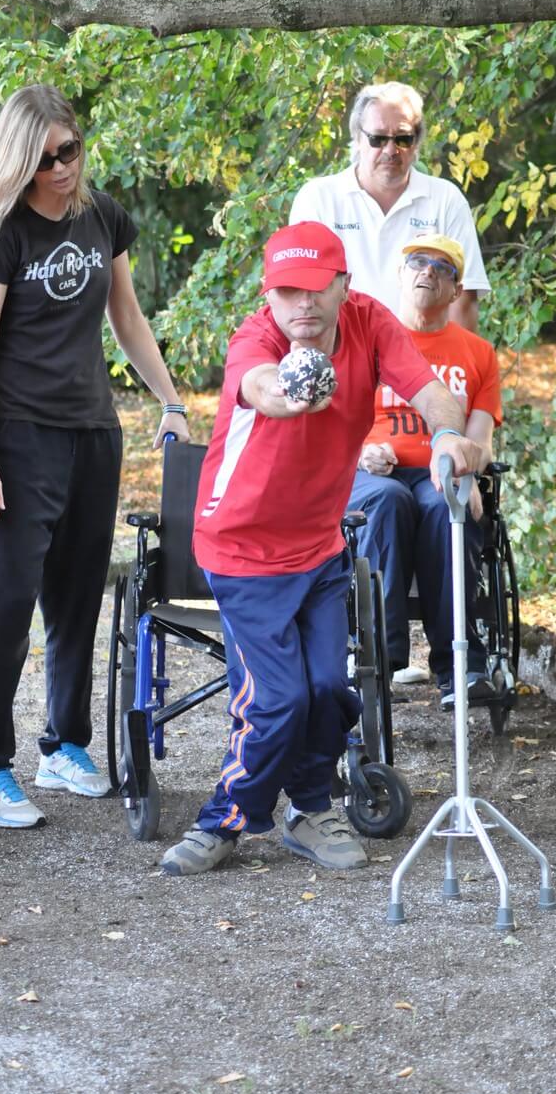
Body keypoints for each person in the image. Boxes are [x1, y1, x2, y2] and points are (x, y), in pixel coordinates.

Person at [160, 220, 482, 877]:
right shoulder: (256, 339)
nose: (301, 305)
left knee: (330, 688)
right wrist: (294, 389)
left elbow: (431, 395)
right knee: (278, 700)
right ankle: (221, 822)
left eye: (315, 289)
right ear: (268, 293)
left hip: (318, 545)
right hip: (242, 550)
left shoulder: (370, 325)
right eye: (286, 291)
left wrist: (450, 437)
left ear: (343, 286)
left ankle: (309, 809)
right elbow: (262, 389)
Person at [0, 84, 189, 830]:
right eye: (43, 161)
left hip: (92, 431)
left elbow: (126, 318)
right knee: (3, 606)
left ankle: (63, 745)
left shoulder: (103, 217)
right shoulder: (2, 234)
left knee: (75, 599)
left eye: (68, 150)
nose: (61, 169)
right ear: (18, 162)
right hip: (15, 434)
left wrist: (169, 399)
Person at [347, 233, 502, 708]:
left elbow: (480, 440)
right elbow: (334, 425)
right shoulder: (367, 341)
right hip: (373, 478)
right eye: (417, 261)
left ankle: (460, 666)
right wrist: (362, 451)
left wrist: (470, 474)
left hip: (440, 475)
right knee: (388, 501)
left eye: (443, 267)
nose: (427, 271)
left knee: (444, 508)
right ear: (400, 273)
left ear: (457, 291)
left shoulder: (478, 353)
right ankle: (380, 658)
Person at [289, 81, 490, 331]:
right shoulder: (318, 198)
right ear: (357, 138)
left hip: (422, 359)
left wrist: (455, 366)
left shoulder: (445, 199)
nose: (391, 150)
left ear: (416, 142)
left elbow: (464, 299)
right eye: (378, 139)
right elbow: (301, 295)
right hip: (342, 353)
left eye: (403, 139)